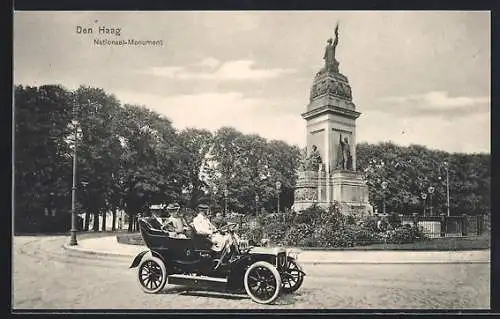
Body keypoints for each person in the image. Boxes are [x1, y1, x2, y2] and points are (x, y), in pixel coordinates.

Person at [192, 204, 233, 268]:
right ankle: (219, 260)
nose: (209, 212)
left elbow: (212, 227)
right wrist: (211, 232)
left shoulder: (206, 219)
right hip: (205, 238)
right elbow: (199, 231)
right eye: (207, 210)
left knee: (229, 237)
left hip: (211, 235)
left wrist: (218, 230)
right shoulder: (197, 219)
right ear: (203, 211)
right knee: (223, 240)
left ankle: (225, 259)